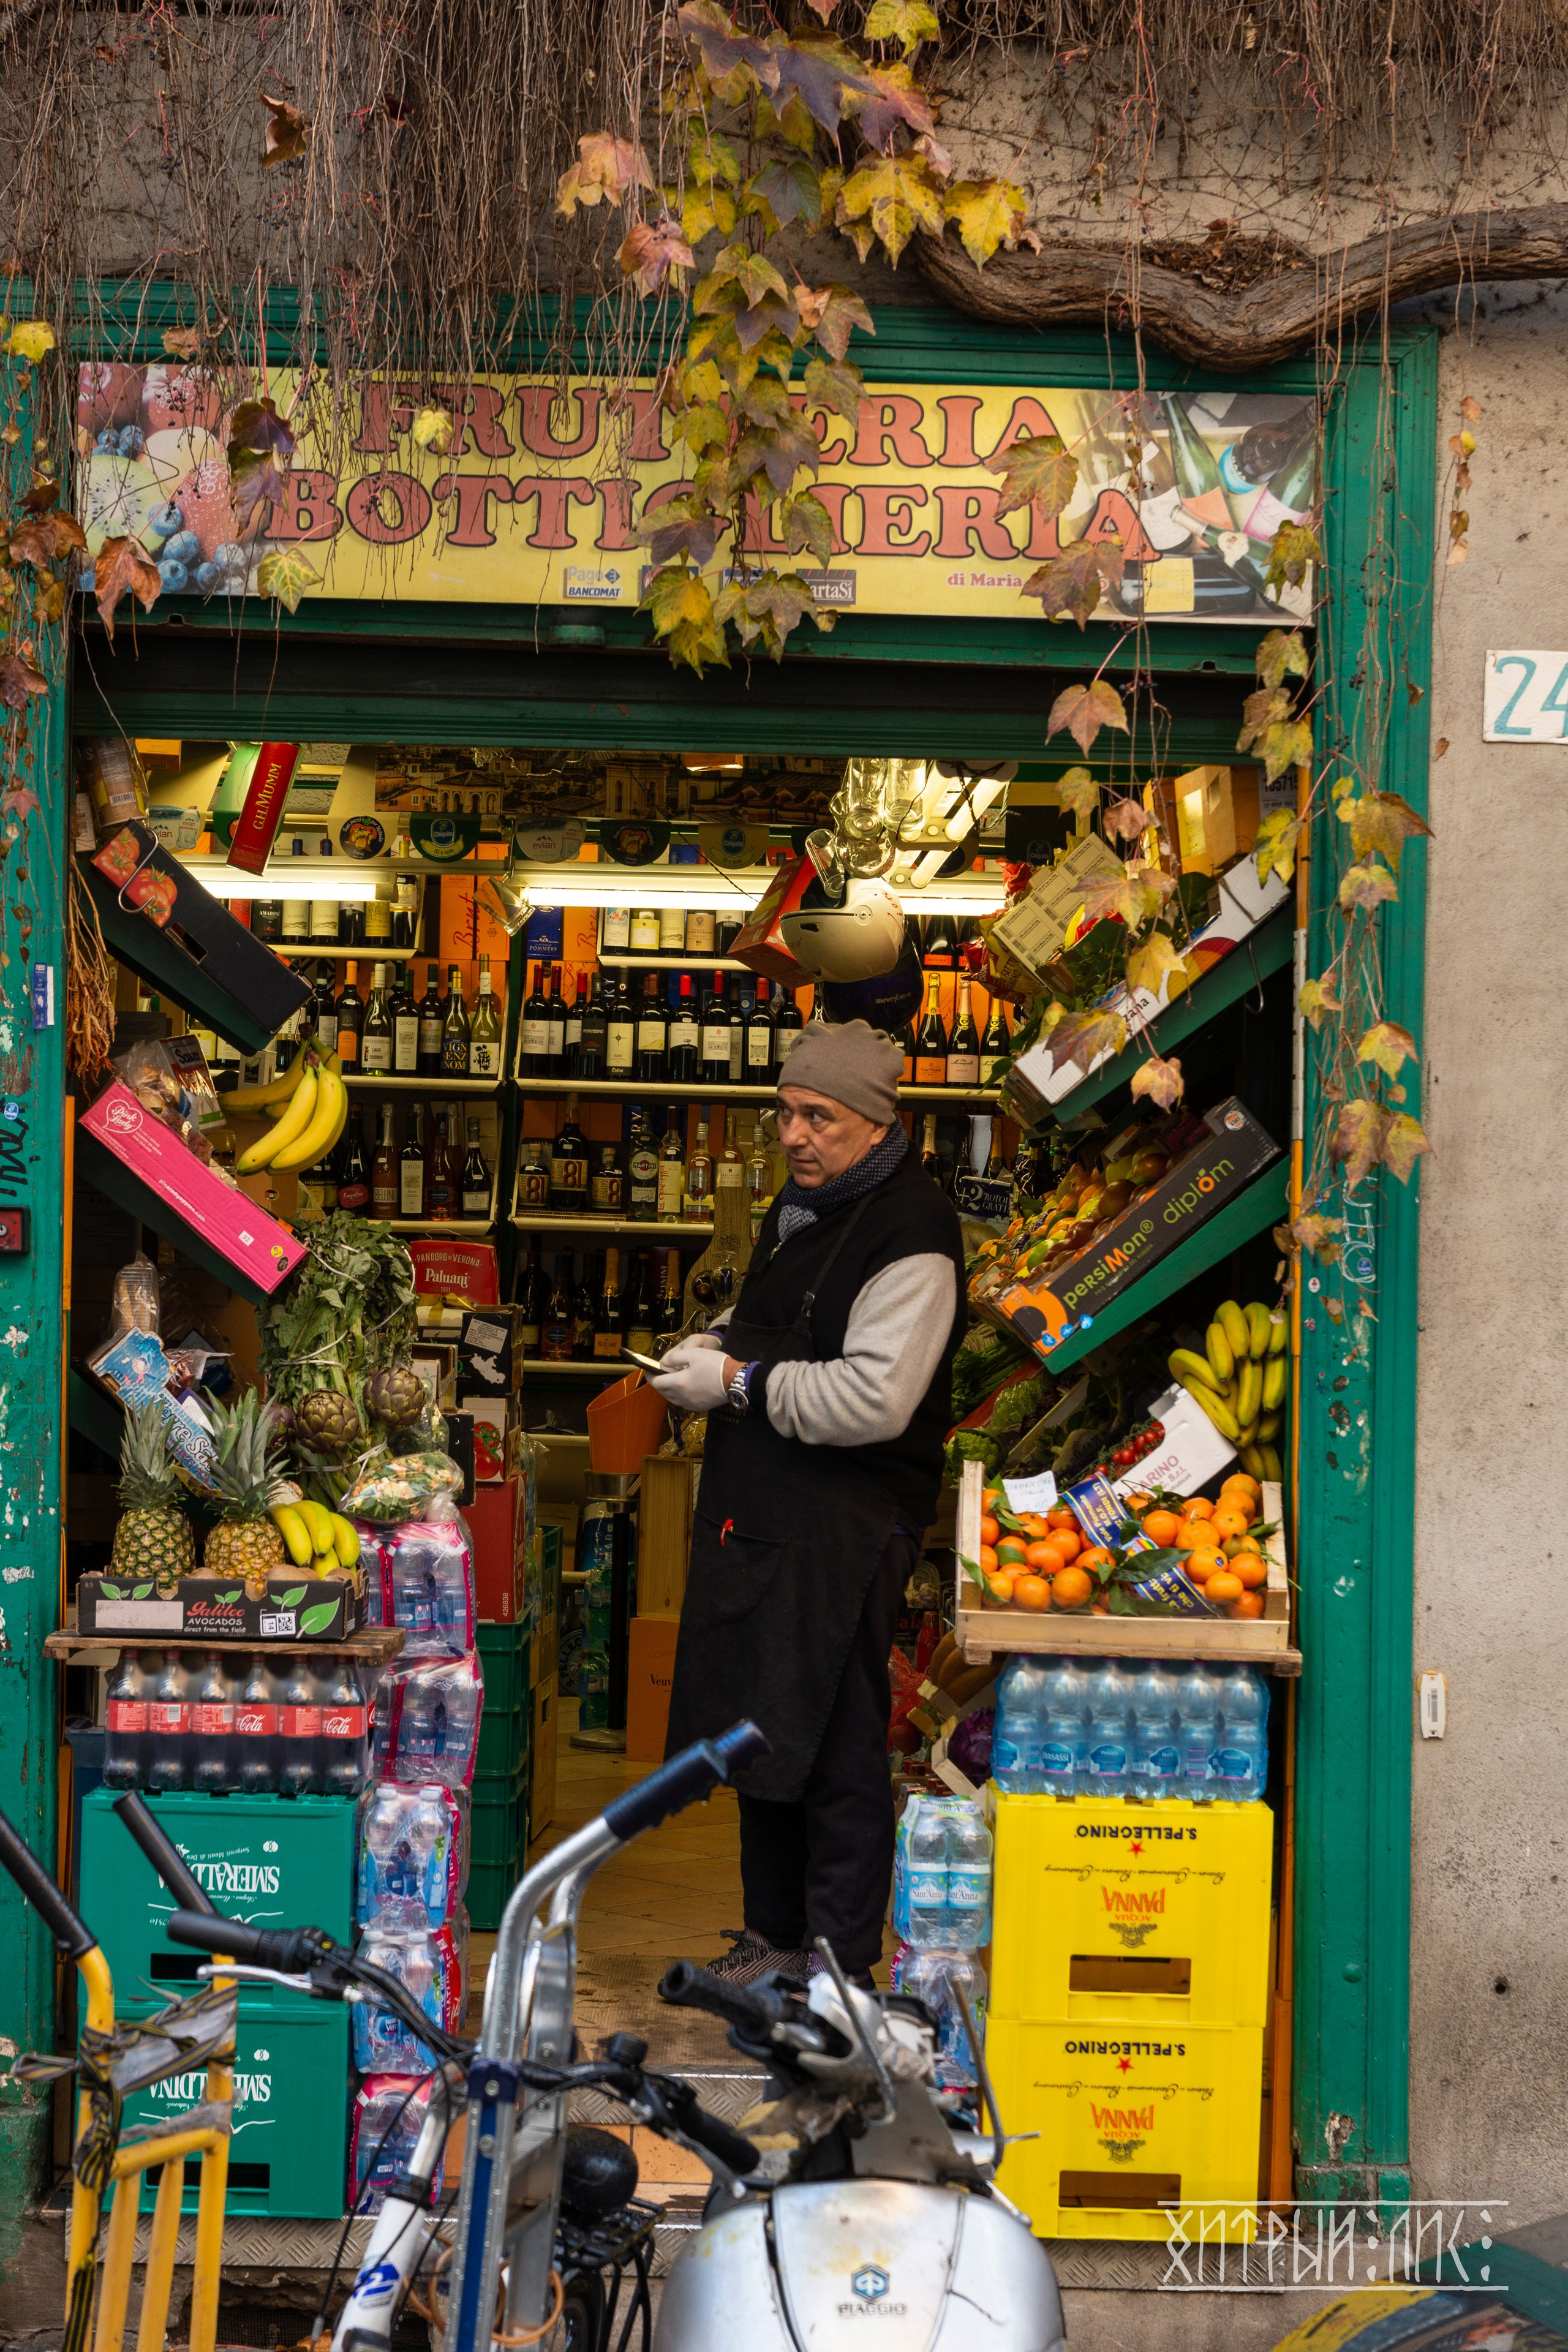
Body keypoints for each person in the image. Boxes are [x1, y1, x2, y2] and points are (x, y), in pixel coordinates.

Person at [648, 1020, 966, 1988]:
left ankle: (836, 1966)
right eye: (785, 1112)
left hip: (846, 1526)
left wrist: (736, 1385)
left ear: (876, 1122)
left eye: (819, 1117)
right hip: (772, 1512)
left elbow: (875, 1398)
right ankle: (774, 1937)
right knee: (763, 1728)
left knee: (835, 1746)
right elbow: (792, 1323)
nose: (794, 1134)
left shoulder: (912, 1231)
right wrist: (718, 1341)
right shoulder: (806, 1205)